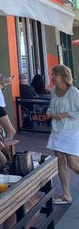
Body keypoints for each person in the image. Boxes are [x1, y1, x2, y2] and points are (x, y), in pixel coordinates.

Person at [46, 64, 79, 204]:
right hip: (57, 131)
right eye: (52, 74)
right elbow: (51, 106)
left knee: (72, 163)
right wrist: (49, 113)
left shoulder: (74, 92)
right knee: (60, 162)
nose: (52, 77)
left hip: (71, 131)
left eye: (54, 74)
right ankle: (66, 195)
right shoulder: (53, 91)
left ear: (63, 76)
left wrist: (64, 114)